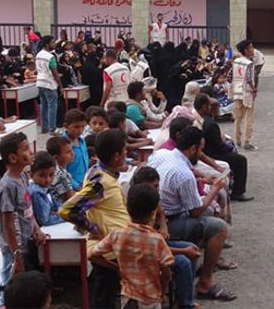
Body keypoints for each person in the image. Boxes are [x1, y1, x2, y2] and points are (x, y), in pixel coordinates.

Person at [156, 127, 237, 302]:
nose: (201, 154)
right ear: (192, 149)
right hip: (167, 222)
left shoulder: (163, 154)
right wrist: (215, 189)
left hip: (154, 215)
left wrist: (202, 180)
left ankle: (199, 267)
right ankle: (205, 281)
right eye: (200, 150)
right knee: (219, 227)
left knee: (207, 215)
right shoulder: (183, 174)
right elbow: (195, 211)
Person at [59, 129, 131, 309]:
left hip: (115, 246)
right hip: (109, 250)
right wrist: (90, 228)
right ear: (116, 156)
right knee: (105, 298)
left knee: (109, 294)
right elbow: (67, 210)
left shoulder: (101, 172)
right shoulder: (100, 182)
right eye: (125, 152)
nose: (126, 155)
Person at [90, 183, 174, 309]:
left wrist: (115, 267)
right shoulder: (156, 240)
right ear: (152, 213)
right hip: (150, 298)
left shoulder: (117, 234)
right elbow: (166, 273)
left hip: (128, 296)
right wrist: (161, 292)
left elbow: (92, 255)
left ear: (127, 209)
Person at [129, 167, 201, 309]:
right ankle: (186, 305)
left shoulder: (152, 198)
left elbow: (161, 211)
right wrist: (184, 251)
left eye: (157, 185)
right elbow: (153, 248)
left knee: (192, 248)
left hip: (158, 243)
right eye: (153, 187)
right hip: (149, 253)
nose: (156, 190)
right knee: (184, 261)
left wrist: (163, 226)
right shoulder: (136, 211)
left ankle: (181, 299)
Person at [0, 132, 47, 306]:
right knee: (9, 290)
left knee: (24, 290)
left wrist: (37, 229)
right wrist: (16, 254)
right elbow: (8, 223)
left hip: (26, 242)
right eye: (25, 149)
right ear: (12, 157)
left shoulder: (24, 177)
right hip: (13, 248)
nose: (31, 152)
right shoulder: (7, 185)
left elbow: (28, 210)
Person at [199, 96, 253, 202]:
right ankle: (238, 192)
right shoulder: (211, 124)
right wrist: (228, 147)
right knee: (240, 160)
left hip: (211, 150)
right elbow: (218, 145)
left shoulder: (206, 121)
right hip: (214, 153)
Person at [230, 40, 258, 151]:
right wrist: (254, 90)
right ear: (245, 50)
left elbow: (229, 76)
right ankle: (247, 141)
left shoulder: (236, 62)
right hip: (247, 92)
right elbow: (249, 79)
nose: (253, 50)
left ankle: (237, 140)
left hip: (237, 91)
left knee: (237, 118)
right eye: (251, 47)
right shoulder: (249, 63)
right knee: (249, 118)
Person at [29, 151, 64, 227]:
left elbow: (56, 205)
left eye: (51, 175)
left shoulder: (45, 187)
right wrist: (66, 216)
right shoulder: (36, 192)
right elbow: (45, 220)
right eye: (42, 176)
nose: (47, 180)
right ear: (31, 175)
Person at [36, 36, 62, 135]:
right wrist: (60, 86)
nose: (54, 44)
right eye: (52, 42)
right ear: (47, 44)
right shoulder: (50, 57)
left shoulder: (38, 54)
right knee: (52, 106)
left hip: (40, 82)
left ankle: (44, 127)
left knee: (43, 105)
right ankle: (53, 128)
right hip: (49, 83)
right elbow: (55, 73)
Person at [63, 108, 89, 189]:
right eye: (76, 127)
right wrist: (76, 185)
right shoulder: (62, 146)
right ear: (66, 126)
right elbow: (62, 171)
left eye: (83, 127)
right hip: (73, 187)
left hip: (85, 182)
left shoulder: (82, 141)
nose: (80, 130)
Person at [46, 135, 76, 202]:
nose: (72, 154)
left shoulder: (58, 170)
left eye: (72, 150)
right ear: (56, 157)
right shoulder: (61, 174)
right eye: (68, 152)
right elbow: (72, 198)